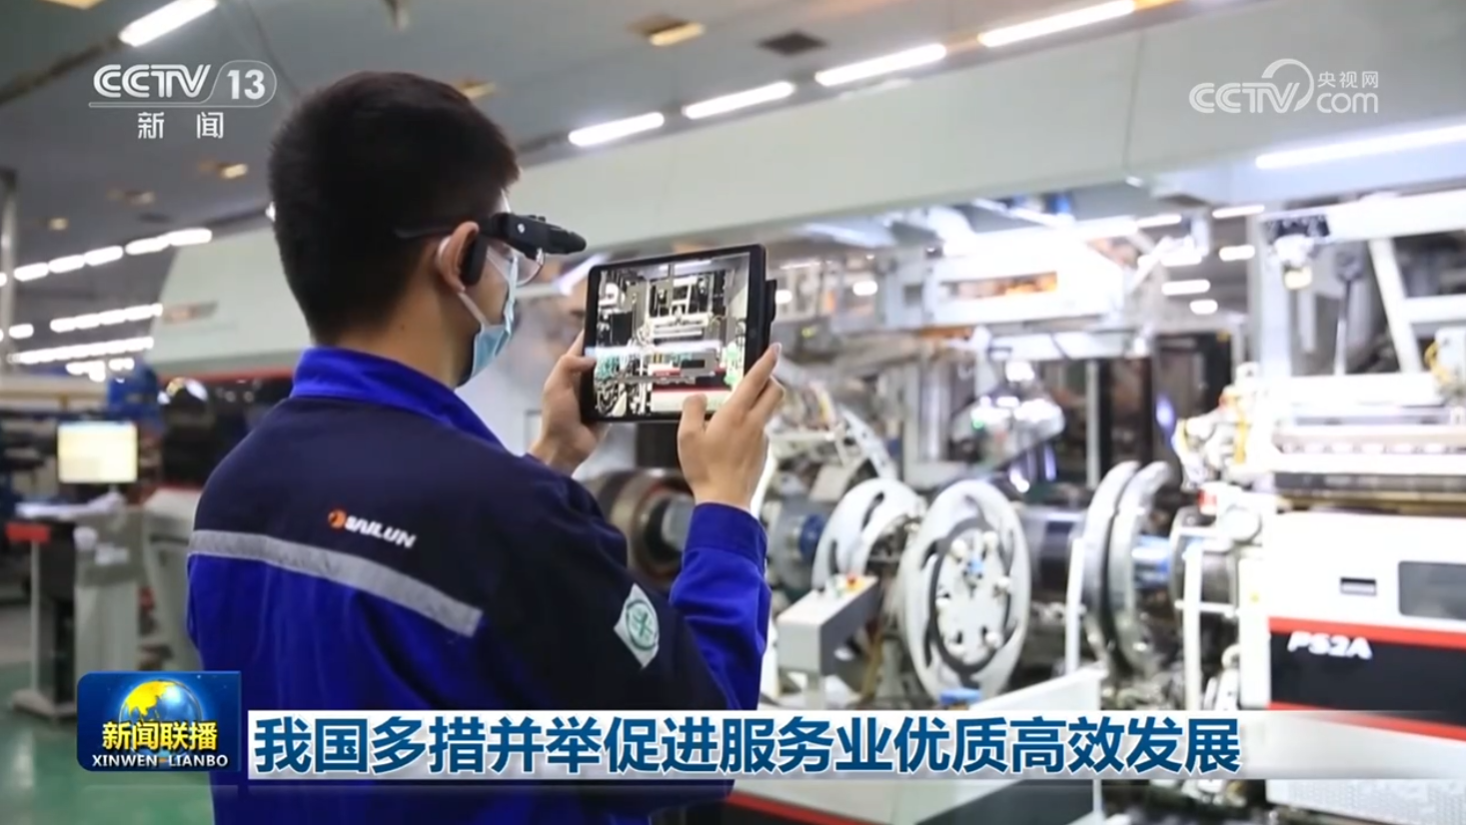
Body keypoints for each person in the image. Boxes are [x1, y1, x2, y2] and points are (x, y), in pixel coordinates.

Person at [186, 71, 782, 825]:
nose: (510, 282)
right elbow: (699, 742)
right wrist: (725, 506)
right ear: (460, 256)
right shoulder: (505, 516)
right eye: (510, 253)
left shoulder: (235, 488)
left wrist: (549, 460)